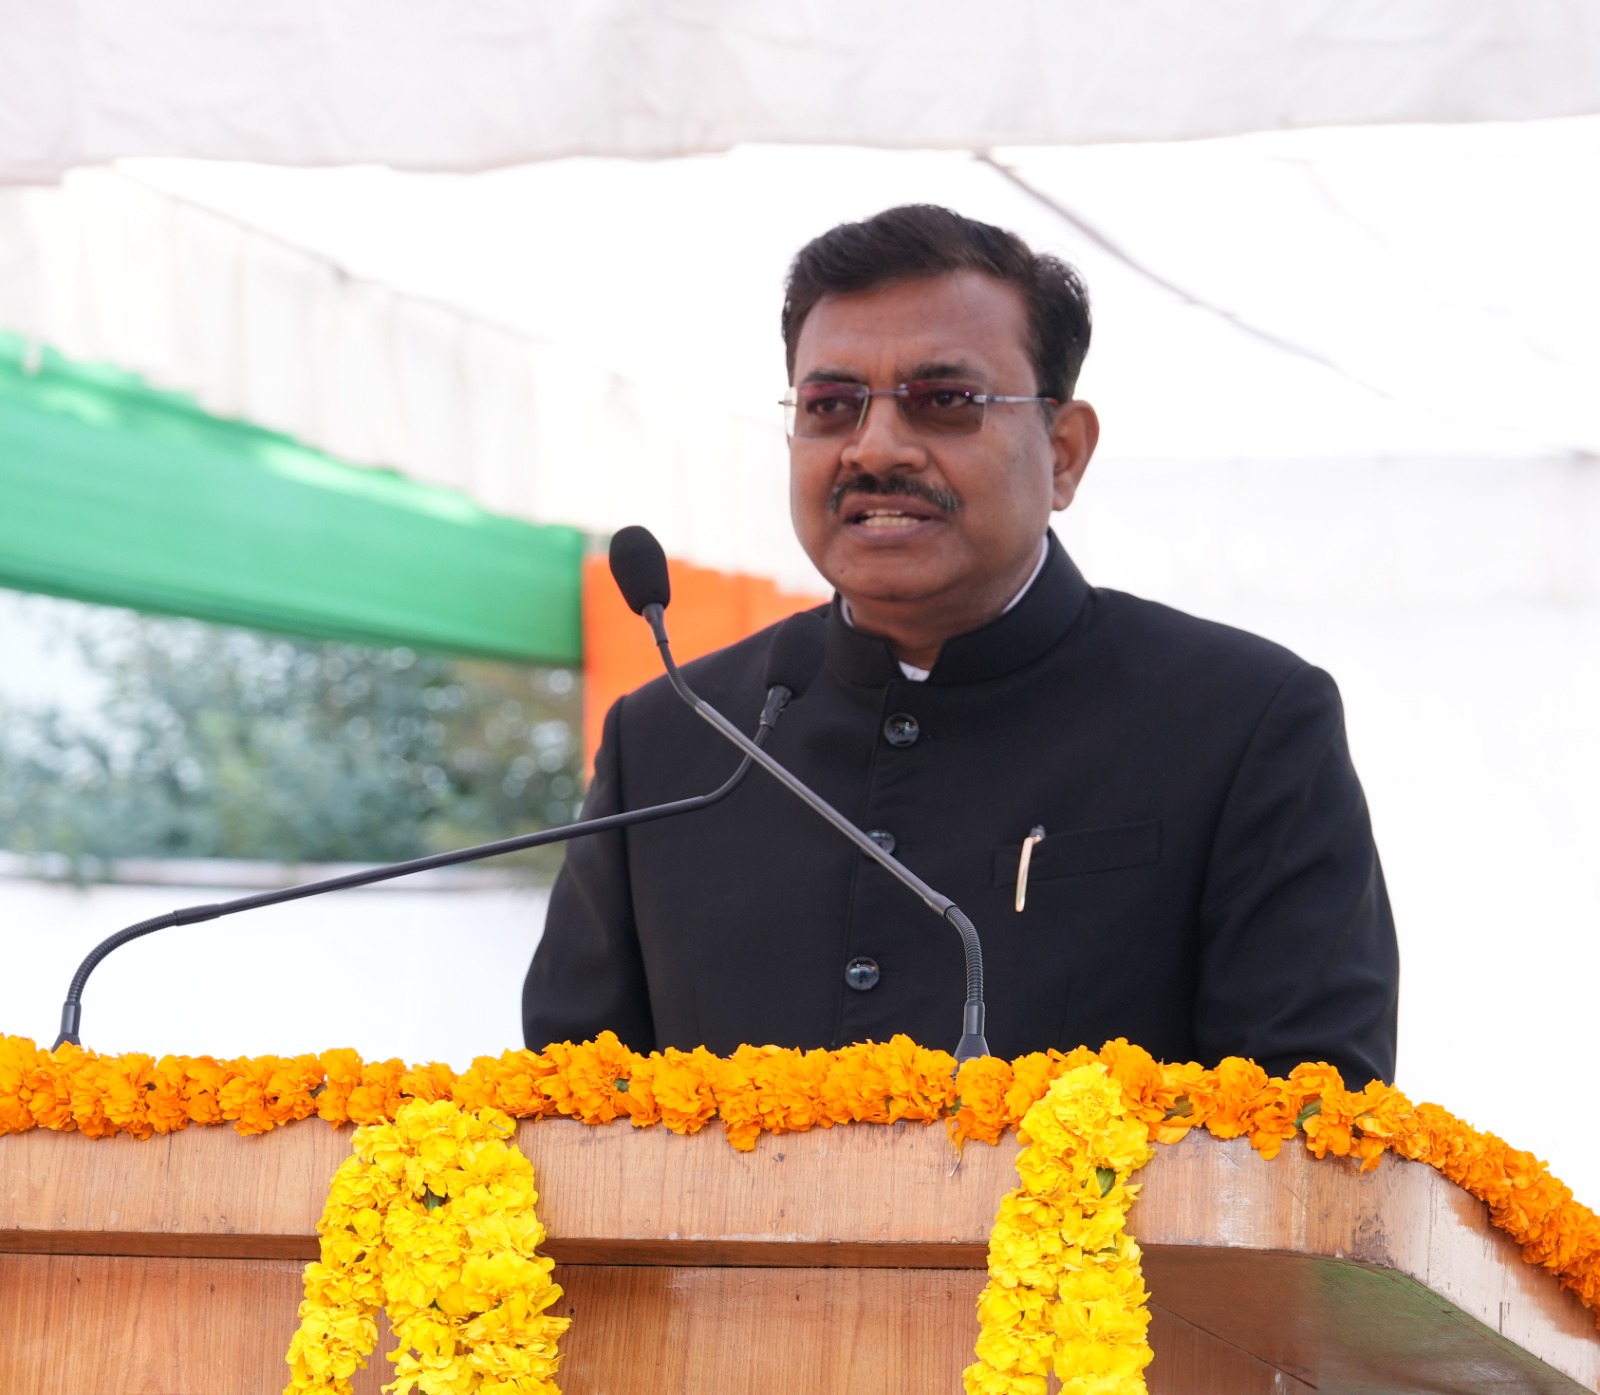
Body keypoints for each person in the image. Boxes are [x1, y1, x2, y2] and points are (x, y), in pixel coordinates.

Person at [523, 204, 1398, 1086]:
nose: (874, 449)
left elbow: (1308, 1121)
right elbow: (563, 1109)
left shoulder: (1241, 722)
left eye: (944, 402)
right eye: (831, 406)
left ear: (1064, 454)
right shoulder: (673, 738)